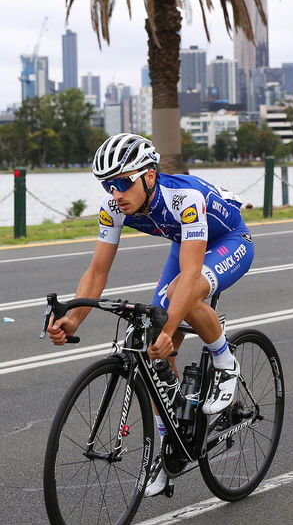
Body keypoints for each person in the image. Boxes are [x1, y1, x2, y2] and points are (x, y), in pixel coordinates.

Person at [46, 133, 254, 497]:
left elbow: (189, 277)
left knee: (179, 298)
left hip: (231, 240)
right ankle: (169, 444)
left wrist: (170, 325)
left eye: (123, 182)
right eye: (108, 185)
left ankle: (225, 362)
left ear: (150, 176)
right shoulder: (113, 208)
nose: (116, 193)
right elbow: (96, 272)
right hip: (185, 241)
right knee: (154, 351)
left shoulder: (184, 199)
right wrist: (73, 319)